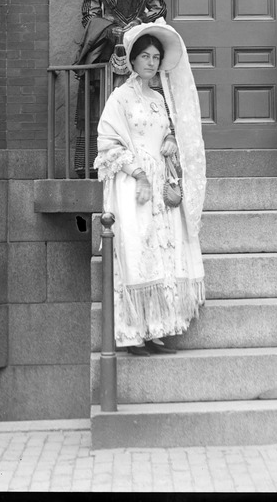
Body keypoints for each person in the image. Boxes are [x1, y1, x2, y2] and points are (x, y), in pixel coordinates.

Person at [93, 22, 206, 355]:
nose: (152, 62)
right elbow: (107, 143)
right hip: (133, 185)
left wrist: (171, 140)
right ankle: (132, 335)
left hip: (160, 184)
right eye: (145, 56)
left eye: (156, 57)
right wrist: (139, 174)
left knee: (161, 255)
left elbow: (168, 132)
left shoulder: (159, 97)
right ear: (133, 59)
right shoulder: (121, 97)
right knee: (137, 252)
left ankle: (157, 330)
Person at [73, 0, 167, 176]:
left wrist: (139, 24)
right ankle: (104, 162)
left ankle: (145, 156)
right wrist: (108, 29)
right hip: (108, 50)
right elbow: (89, 13)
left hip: (138, 47)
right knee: (106, 104)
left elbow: (158, 8)